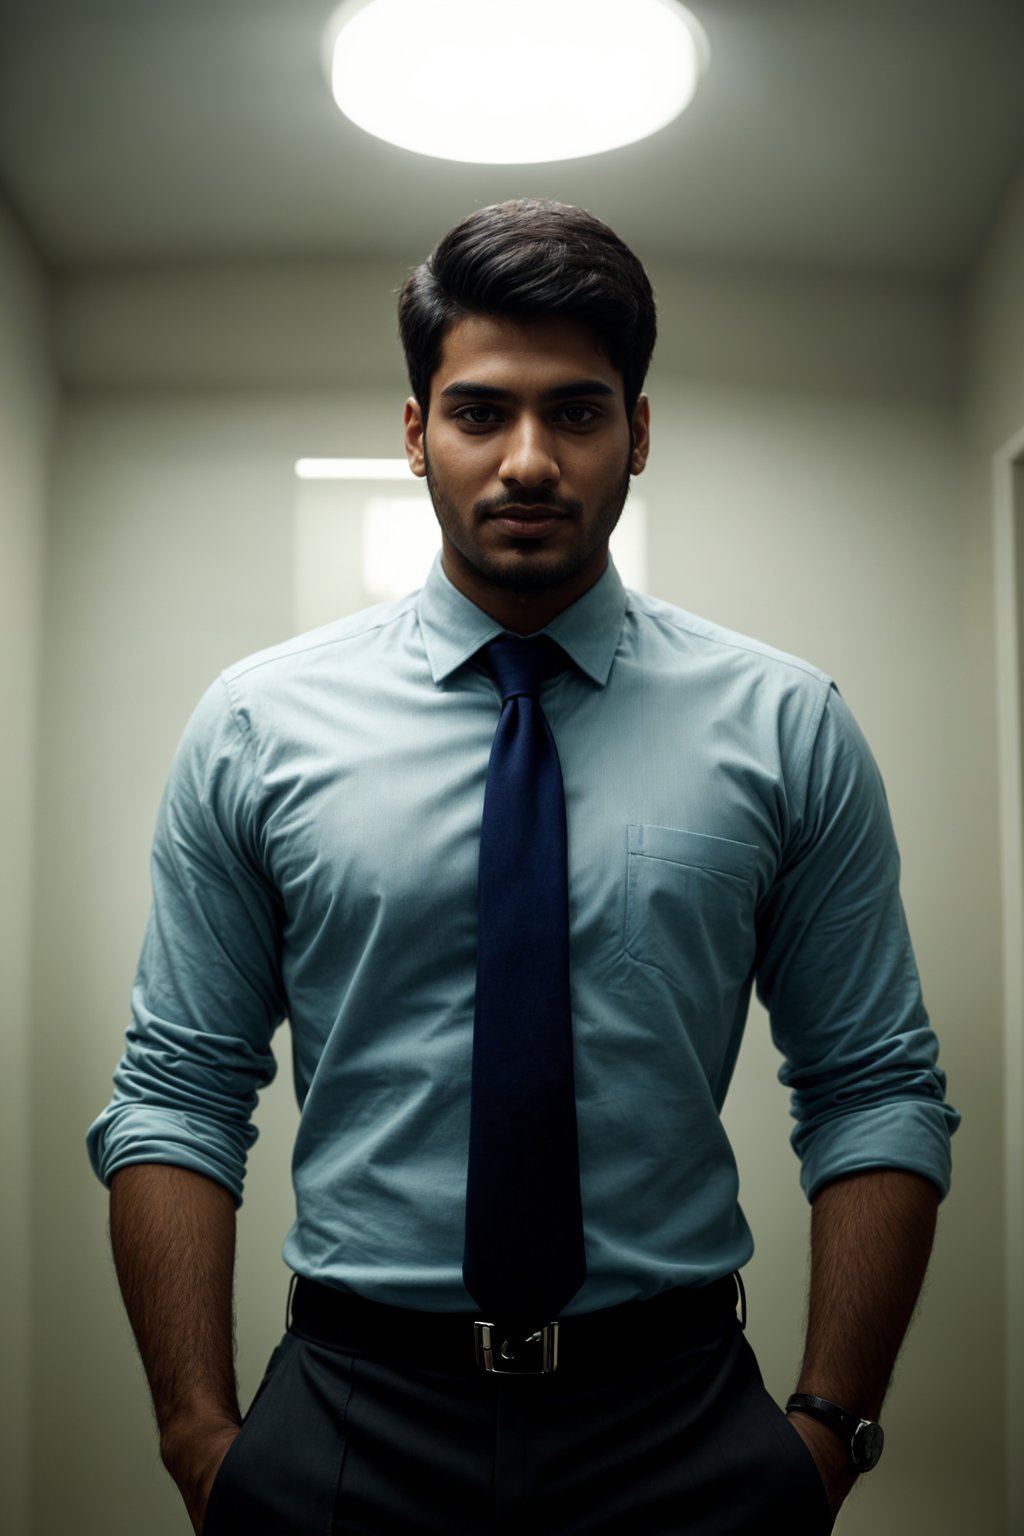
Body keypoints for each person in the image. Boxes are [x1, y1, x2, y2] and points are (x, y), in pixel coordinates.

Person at [88, 198, 959, 1536]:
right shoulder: (257, 727)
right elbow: (177, 1092)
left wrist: (827, 1435)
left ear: (642, 433)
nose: (530, 460)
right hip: (349, 1416)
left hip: (680, 1426)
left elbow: (875, 1088)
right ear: (415, 432)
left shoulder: (786, 727)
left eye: (580, 410)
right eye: (482, 411)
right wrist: (203, 1446)